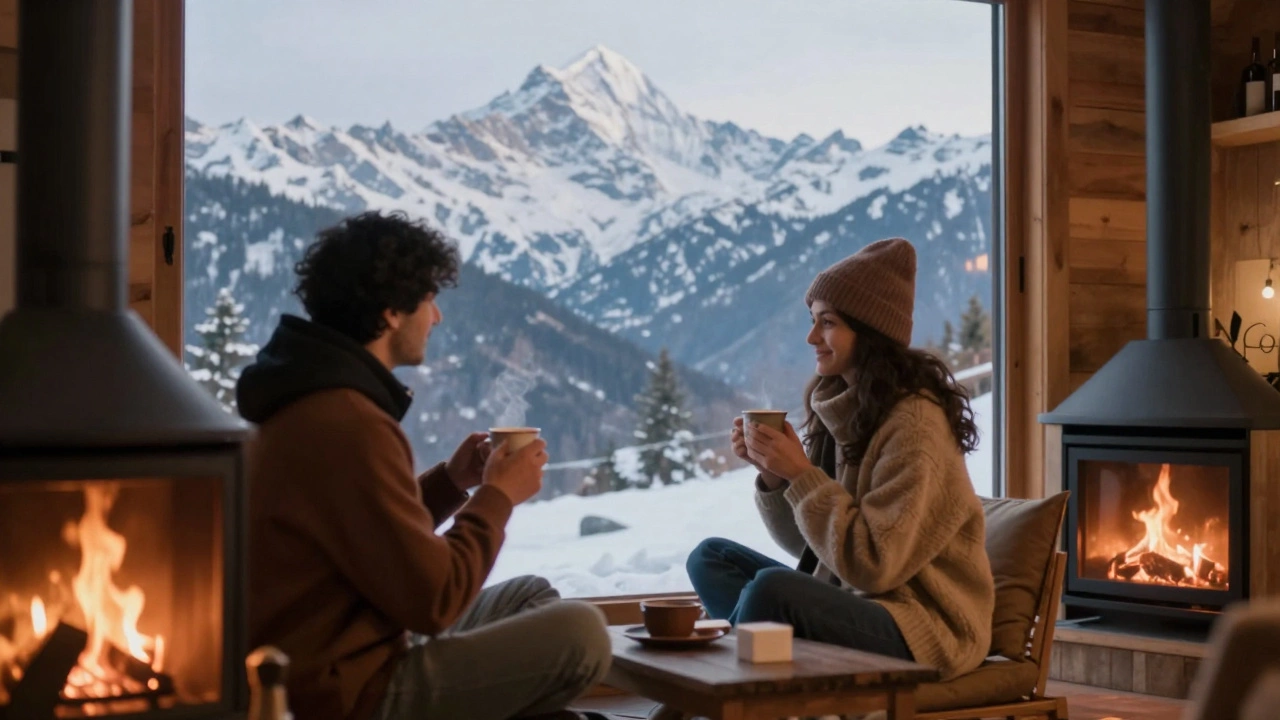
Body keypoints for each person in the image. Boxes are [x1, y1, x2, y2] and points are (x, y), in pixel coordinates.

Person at [237, 210, 613, 720]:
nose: (436, 317)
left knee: (532, 595)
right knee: (581, 634)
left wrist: (450, 484)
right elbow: (435, 600)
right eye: (430, 299)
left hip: (354, 644)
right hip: (349, 692)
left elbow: (367, 531)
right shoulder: (348, 422)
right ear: (392, 311)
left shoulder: (309, 401)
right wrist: (497, 496)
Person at [691, 237, 995, 680]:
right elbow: (813, 547)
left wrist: (801, 474)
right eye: (813, 321)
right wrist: (777, 477)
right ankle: (742, 674)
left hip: (922, 625)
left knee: (772, 591)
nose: (812, 337)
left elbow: (874, 564)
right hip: (853, 595)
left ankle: (721, 690)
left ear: (870, 331)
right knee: (710, 558)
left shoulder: (914, 423)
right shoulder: (841, 404)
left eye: (827, 323)